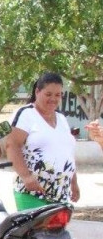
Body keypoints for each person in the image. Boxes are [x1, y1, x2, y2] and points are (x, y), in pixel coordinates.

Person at [5, 72, 80, 210]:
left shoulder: (62, 119)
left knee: (59, 232)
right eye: (48, 94)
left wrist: (73, 183)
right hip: (33, 193)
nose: (53, 99)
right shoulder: (26, 114)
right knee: (37, 232)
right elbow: (12, 145)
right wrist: (26, 176)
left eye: (58, 95)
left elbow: (67, 153)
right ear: (37, 91)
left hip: (60, 195)